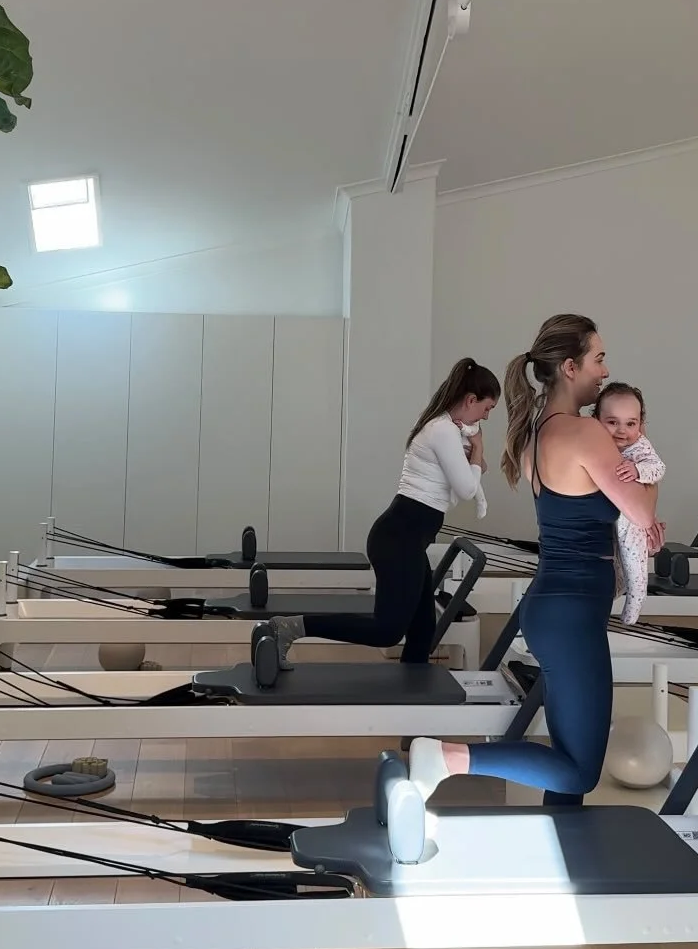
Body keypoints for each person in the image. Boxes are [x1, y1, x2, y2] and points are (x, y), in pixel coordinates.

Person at [407, 315, 661, 808]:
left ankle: (564, 845)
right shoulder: (584, 432)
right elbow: (642, 511)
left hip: (558, 608)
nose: (605, 371)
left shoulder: (537, 434)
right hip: (569, 613)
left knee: (570, 760)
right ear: (570, 367)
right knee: (578, 770)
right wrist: (648, 461)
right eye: (598, 358)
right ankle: (447, 758)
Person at [254, 358, 500, 668]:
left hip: (406, 538)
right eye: (487, 408)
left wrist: (475, 454)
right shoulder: (442, 430)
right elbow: (466, 489)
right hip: (399, 539)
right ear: (471, 400)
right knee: (387, 631)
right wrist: (478, 448)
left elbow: (472, 474)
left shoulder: (445, 429)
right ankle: (289, 628)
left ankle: (413, 690)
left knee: (423, 629)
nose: (486, 417)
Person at [593, 382, 666, 626]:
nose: (621, 431)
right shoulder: (594, 443)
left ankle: (631, 615)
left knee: (636, 570)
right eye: (612, 422)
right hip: (605, 519)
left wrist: (638, 470)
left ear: (640, 424)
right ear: (596, 419)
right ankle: (609, 606)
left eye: (630, 424)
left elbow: (658, 468)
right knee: (613, 566)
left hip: (631, 522)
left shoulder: (640, 446)